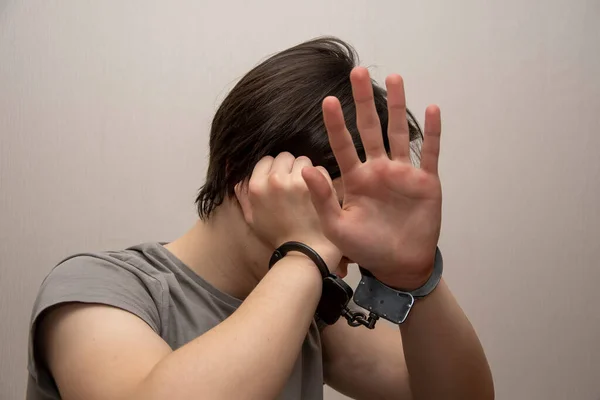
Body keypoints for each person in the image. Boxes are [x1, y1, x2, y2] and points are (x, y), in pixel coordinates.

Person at [27, 37, 494, 400]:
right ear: (242, 177)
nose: (350, 239)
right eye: (332, 206)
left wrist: (415, 276)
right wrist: (304, 253)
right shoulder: (96, 288)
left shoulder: (310, 309)